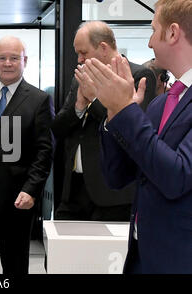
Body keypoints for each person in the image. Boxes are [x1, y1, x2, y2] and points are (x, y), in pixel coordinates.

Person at [78, 0, 192, 273]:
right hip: (142, 254)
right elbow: (118, 175)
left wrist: (125, 109)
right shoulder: (160, 104)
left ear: (173, 33)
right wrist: (113, 114)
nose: (150, 43)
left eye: (154, 30)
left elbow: (177, 176)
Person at [51, 21, 157, 221]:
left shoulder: (137, 75)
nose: (80, 60)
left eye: (83, 53)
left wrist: (94, 99)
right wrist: (79, 107)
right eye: (77, 54)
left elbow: (130, 127)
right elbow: (58, 127)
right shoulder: (80, 77)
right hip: (73, 189)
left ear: (103, 48)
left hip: (112, 194)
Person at [0, 36, 54, 274]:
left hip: (16, 199)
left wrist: (31, 190)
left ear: (25, 61)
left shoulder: (39, 100)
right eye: (2, 58)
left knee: (15, 264)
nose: (7, 63)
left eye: (14, 58)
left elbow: (44, 151)